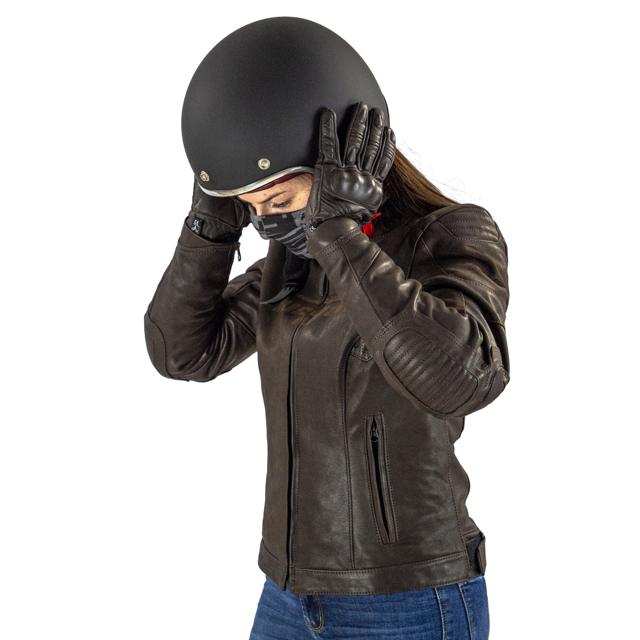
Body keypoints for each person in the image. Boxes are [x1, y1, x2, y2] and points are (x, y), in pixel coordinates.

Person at [144, 17, 509, 640]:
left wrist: (340, 236)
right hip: (288, 592)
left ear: (342, 164)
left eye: (280, 202)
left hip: (410, 598)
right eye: (251, 208)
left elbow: (463, 379)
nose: (266, 224)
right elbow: (182, 352)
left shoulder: (449, 236)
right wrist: (210, 225)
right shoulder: (292, 265)